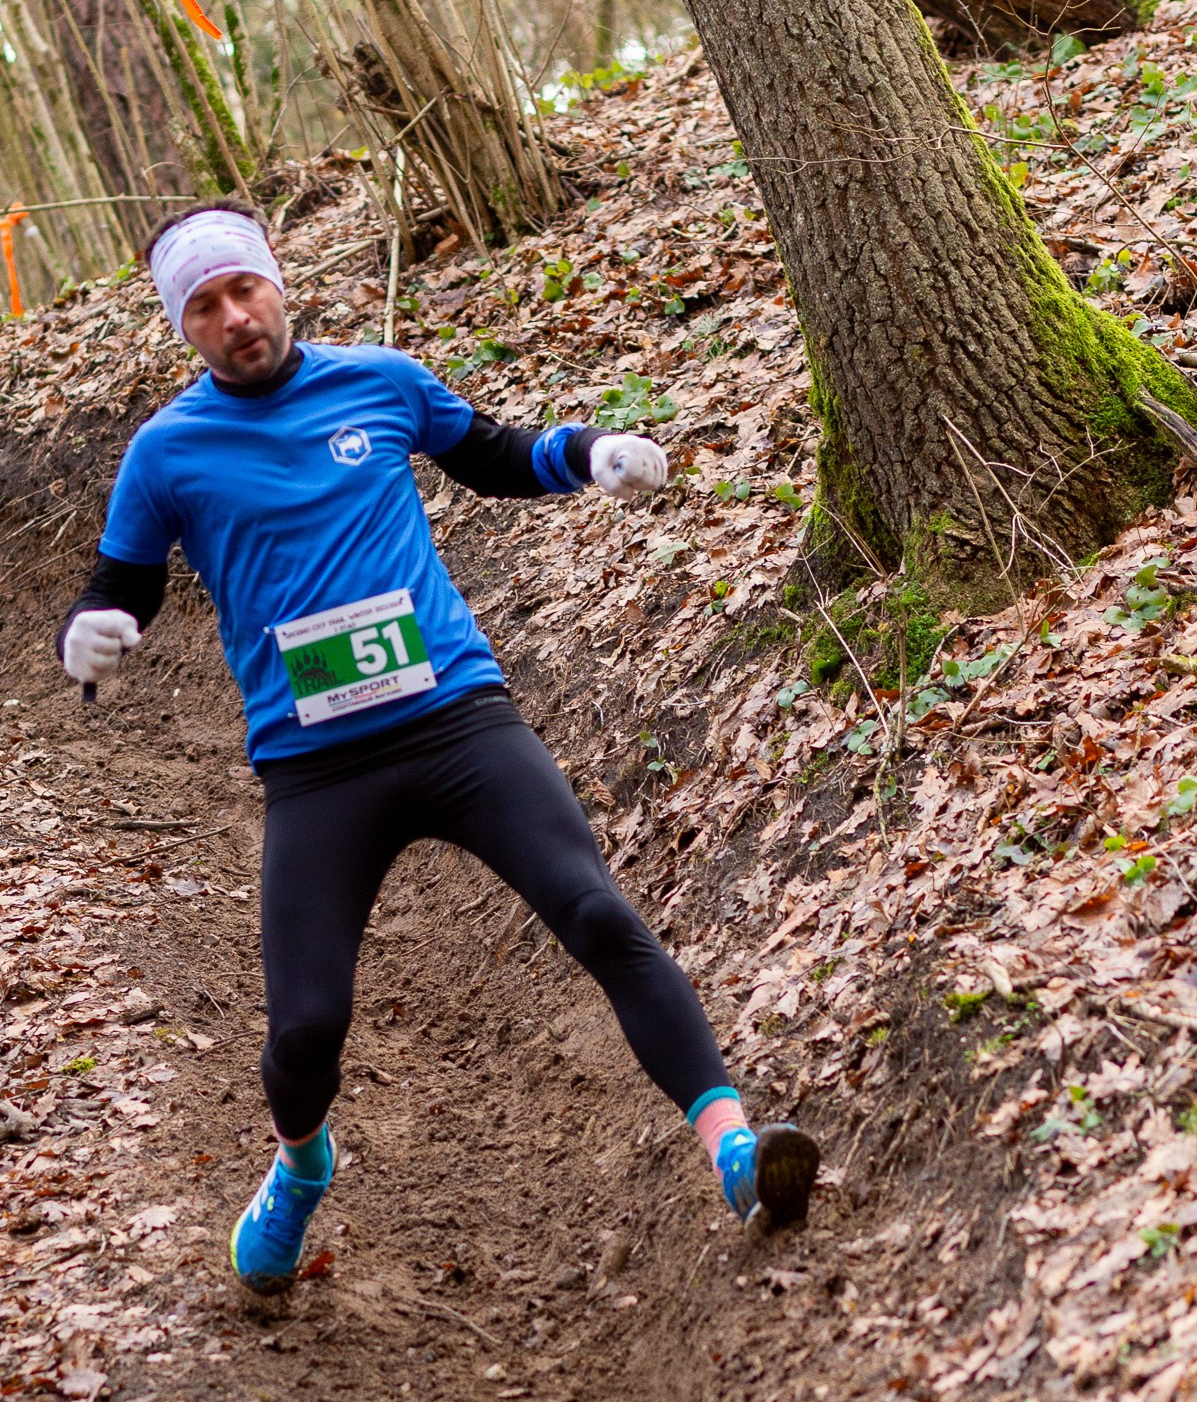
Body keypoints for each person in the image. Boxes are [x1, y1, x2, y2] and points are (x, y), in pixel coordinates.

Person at [59, 201, 818, 1290]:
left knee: (596, 910)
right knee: (307, 1027)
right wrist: (91, 639)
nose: (234, 317)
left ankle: (733, 1151)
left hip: (457, 717)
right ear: (183, 327)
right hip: (315, 766)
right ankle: (299, 1166)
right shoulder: (167, 451)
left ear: (279, 285)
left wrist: (586, 453)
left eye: (244, 289)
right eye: (205, 305)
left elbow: (491, 455)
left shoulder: (380, 378)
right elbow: (116, 591)